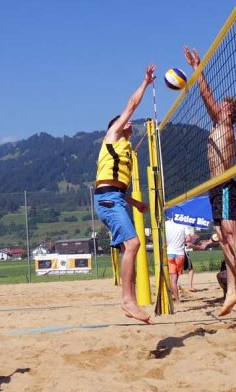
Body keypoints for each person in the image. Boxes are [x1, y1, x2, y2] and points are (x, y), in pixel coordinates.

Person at [183, 46, 236, 317]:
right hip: (215, 188)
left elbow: (206, 95)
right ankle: (232, 290)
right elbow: (209, 98)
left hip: (225, 186)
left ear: (230, 113)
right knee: (223, 240)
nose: (219, 106)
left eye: (224, 105)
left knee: (233, 238)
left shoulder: (226, 127)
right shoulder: (217, 127)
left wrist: (197, 68)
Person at [94, 64, 156, 324]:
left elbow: (117, 186)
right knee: (133, 244)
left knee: (131, 246)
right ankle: (128, 301)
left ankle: (129, 300)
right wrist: (145, 83)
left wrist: (136, 203)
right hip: (108, 199)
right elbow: (131, 106)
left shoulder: (127, 151)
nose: (129, 122)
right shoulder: (113, 136)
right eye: (124, 122)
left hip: (115, 197)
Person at [164, 217, 188, 303]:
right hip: (180, 254)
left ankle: (175, 298)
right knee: (175, 279)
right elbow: (188, 238)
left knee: (172, 279)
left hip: (169, 253)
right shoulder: (183, 224)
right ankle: (176, 297)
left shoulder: (166, 224)